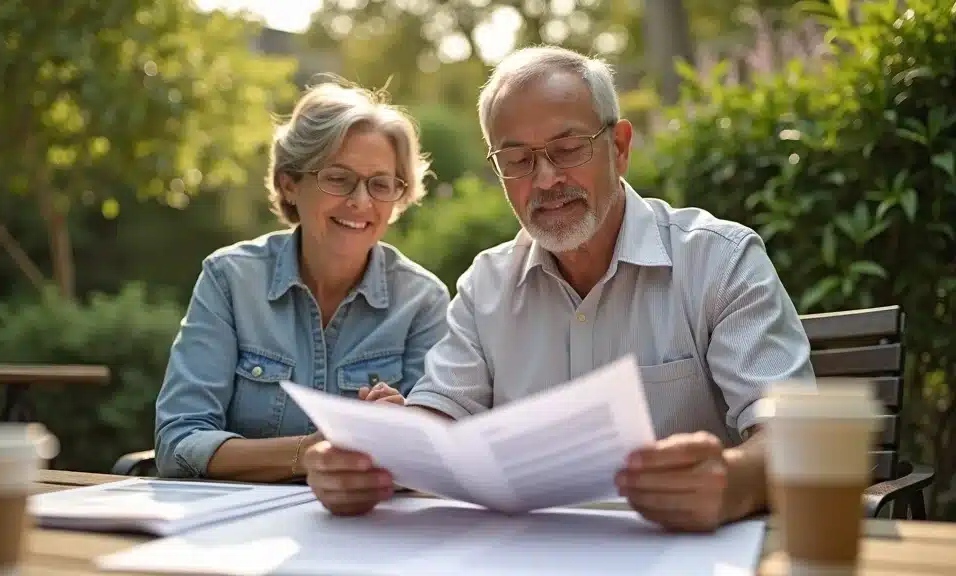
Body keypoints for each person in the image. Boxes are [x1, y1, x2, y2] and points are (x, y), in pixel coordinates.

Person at [303, 46, 815, 531]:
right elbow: (436, 423)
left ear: (619, 147)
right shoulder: (486, 286)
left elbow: (795, 433)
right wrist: (373, 459)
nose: (545, 179)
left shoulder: (717, 260)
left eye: (568, 149)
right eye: (518, 161)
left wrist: (734, 483)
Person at [153, 81, 451, 483]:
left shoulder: (422, 300)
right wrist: (306, 454)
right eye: (338, 178)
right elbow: (179, 442)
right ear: (290, 184)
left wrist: (400, 435)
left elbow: (438, 456)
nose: (361, 201)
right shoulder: (230, 279)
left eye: (380, 184)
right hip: (237, 531)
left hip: (369, 530)